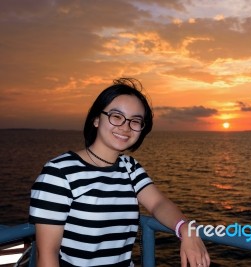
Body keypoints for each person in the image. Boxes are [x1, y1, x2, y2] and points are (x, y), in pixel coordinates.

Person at [29, 78, 210, 267]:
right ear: (96, 119)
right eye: (116, 116)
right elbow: (47, 255)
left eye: (135, 121)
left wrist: (187, 229)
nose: (125, 126)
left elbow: (158, 203)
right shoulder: (59, 173)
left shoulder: (129, 167)